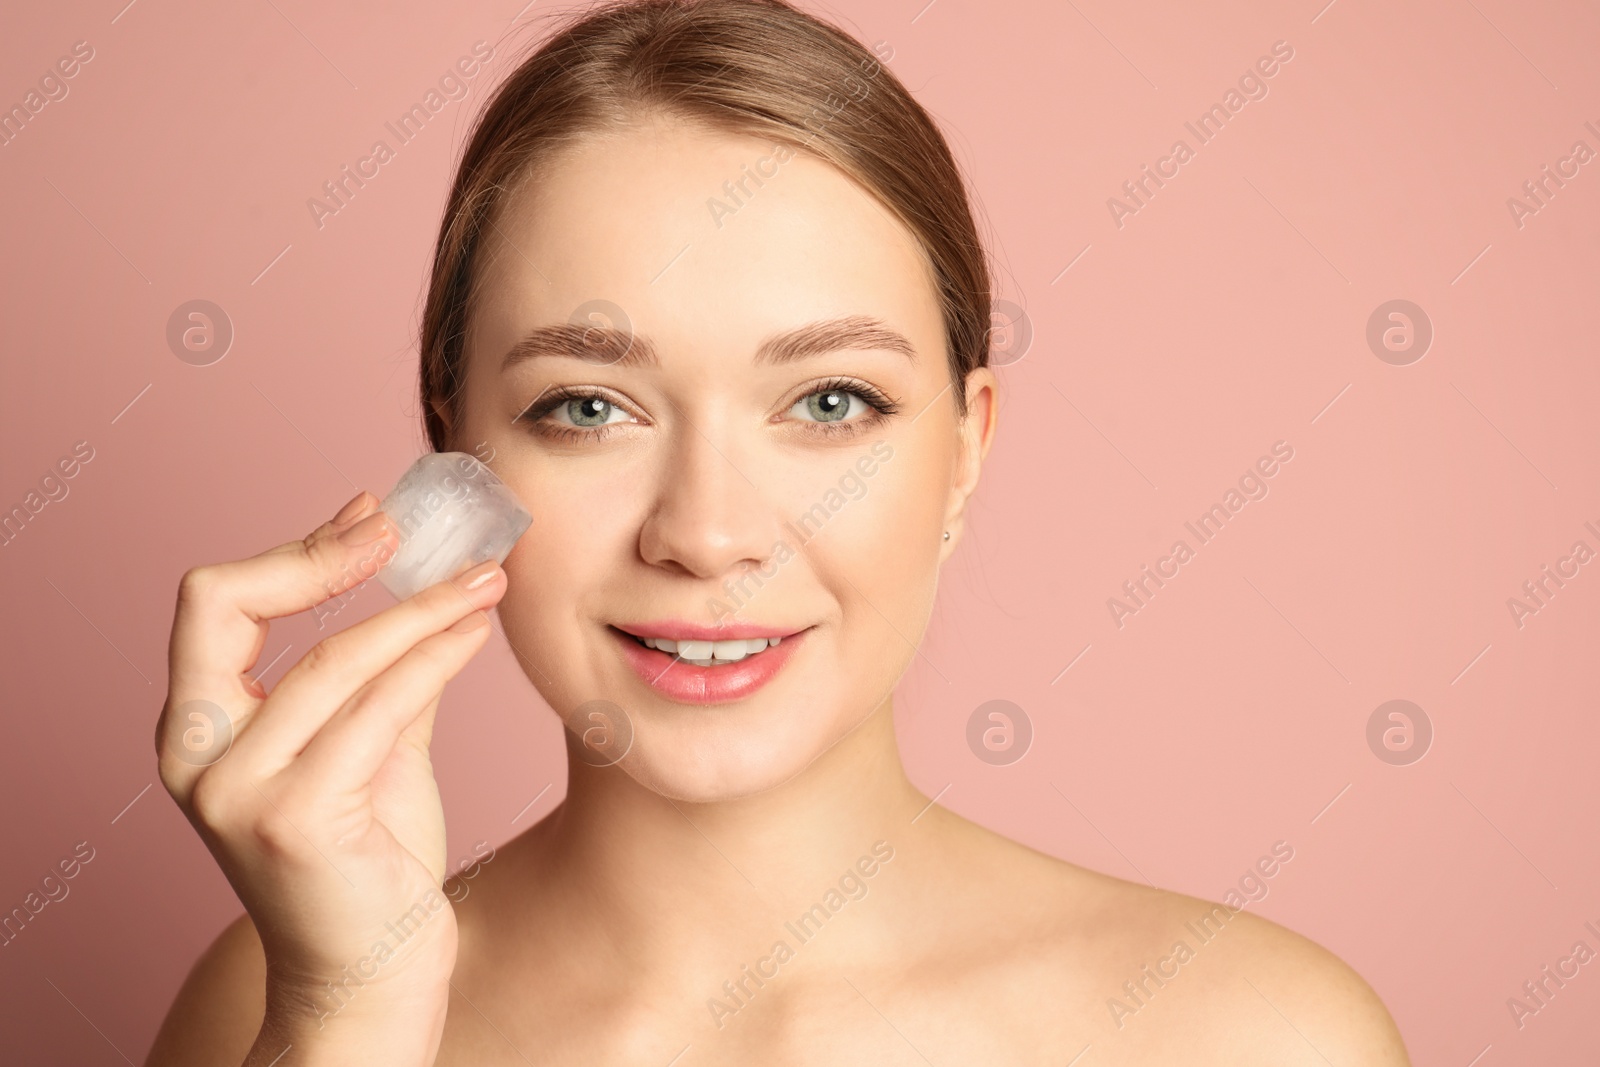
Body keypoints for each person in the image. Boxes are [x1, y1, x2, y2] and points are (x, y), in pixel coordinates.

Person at [147, 1, 1410, 1062]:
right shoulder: (276, 1003)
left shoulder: (1249, 1033)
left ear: (965, 447)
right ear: (454, 459)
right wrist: (346, 1013)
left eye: (828, 402)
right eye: (586, 406)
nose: (705, 533)